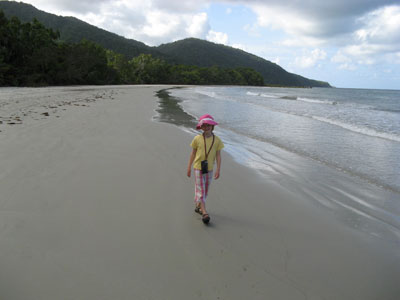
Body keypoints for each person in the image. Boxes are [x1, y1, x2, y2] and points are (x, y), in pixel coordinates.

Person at [187, 114, 224, 224]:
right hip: (198, 167)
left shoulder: (217, 140)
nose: (207, 127)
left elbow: (218, 155)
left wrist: (218, 169)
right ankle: (204, 212)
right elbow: (193, 153)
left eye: (209, 125)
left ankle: (198, 206)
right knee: (201, 190)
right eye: (205, 125)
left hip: (209, 169)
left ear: (212, 127)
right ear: (201, 127)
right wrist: (189, 167)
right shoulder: (197, 139)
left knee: (205, 190)